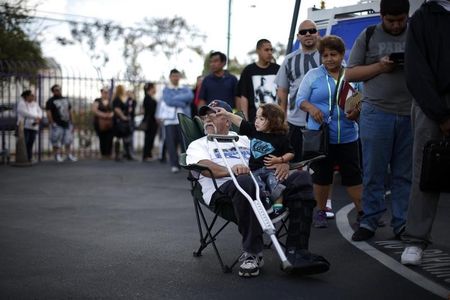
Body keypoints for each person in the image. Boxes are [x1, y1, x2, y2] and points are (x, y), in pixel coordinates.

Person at [186, 100, 329, 278]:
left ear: (228, 121)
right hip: (227, 188)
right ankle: (252, 253)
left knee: (302, 178)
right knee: (246, 181)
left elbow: (276, 154)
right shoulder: (199, 144)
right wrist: (233, 170)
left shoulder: (247, 139)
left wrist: (283, 163)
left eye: (214, 115)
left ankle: (297, 251)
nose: (207, 119)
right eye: (205, 116)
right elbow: (205, 167)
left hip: (266, 183)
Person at [346, 0, 413, 241]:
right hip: (376, 112)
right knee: (374, 171)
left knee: (404, 174)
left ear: (408, 15)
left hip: (410, 112)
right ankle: (369, 222)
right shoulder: (369, 34)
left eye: (401, 20)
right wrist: (380, 66)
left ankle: (402, 223)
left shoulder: (417, 32)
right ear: (381, 16)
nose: (396, 25)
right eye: (390, 20)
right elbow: (350, 73)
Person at [400, 0, 450, 266]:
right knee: (426, 172)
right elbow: (416, 70)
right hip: (431, 102)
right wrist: (440, 114)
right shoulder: (422, 18)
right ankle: (416, 240)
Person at [296, 35, 363, 228]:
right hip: (321, 137)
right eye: (325, 55)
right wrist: (312, 108)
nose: (329, 59)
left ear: (342, 54)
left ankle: (362, 212)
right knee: (322, 176)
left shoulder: (352, 75)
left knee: (353, 175)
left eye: (333, 54)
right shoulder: (313, 75)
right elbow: (300, 100)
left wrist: (356, 111)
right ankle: (320, 212)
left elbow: (361, 99)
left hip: (349, 135)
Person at [216, 102, 293, 221]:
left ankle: (278, 207)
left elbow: (290, 153)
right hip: (254, 170)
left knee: (274, 182)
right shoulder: (254, 131)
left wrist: (280, 160)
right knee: (257, 185)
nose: (256, 121)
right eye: (256, 117)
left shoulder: (281, 138)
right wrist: (227, 114)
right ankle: (266, 203)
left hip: (271, 169)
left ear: (273, 121)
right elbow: (240, 121)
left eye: (261, 119)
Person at [274, 20, 321, 164]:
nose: (308, 34)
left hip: (323, 122)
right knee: (295, 166)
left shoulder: (327, 56)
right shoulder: (289, 60)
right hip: (295, 123)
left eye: (312, 31)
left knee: (321, 168)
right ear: (298, 36)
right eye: (303, 32)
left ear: (318, 34)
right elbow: (282, 91)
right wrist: (281, 121)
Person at [237, 39, 280, 122]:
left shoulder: (278, 69)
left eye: (271, 50)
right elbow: (243, 96)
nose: (270, 53)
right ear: (258, 51)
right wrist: (245, 119)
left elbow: (282, 94)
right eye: (266, 50)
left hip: (275, 119)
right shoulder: (248, 70)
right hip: (255, 119)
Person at [161, 69, 194, 173]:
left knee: (184, 142)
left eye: (177, 76)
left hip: (183, 119)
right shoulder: (166, 89)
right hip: (170, 120)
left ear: (179, 77)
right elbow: (168, 100)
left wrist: (175, 98)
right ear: (170, 77)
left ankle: (185, 162)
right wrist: (182, 102)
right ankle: (174, 164)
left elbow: (190, 96)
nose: (175, 78)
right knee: (171, 143)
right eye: (173, 76)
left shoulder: (185, 88)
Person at [45, 84, 77, 162]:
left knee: (68, 140)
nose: (58, 91)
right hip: (57, 124)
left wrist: (72, 122)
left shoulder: (65, 99)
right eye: (56, 90)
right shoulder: (50, 101)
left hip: (67, 123)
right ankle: (57, 155)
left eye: (59, 89)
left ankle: (68, 155)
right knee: (56, 140)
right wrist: (52, 122)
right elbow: (48, 112)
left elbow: (70, 111)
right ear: (53, 91)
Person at [16, 90, 42, 162]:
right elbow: (25, 113)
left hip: (33, 126)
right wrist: (35, 117)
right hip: (24, 126)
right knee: (24, 142)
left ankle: (29, 158)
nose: (33, 97)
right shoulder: (22, 103)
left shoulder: (35, 104)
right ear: (26, 96)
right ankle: (22, 158)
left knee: (30, 142)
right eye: (31, 95)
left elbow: (40, 111)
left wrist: (38, 117)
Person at [112, 85, 134, 161]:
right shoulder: (117, 99)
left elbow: (130, 108)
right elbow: (116, 109)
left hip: (126, 121)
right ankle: (117, 155)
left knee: (127, 137)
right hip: (119, 121)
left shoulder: (127, 99)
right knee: (118, 137)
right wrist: (123, 116)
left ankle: (128, 154)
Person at [92, 87, 114, 159]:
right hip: (100, 122)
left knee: (110, 138)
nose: (106, 94)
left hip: (110, 122)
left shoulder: (111, 101)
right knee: (102, 138)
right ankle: (103, 154)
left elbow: (114, 110)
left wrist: (110, 115)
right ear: (101, 93)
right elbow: (95, 110)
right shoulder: (97, 100)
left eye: (107, 92)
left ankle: (109, 154)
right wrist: (103, 115)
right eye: (104, 92)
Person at [142, 82, 159, 162]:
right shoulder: (147, 98)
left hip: (152, 121)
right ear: (150, 89)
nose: (155, 89)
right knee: (148, 138)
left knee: (151, 138)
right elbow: (150, 111)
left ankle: (148, 154)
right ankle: (146, 155)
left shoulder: (151, 98)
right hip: (150, 122)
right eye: (154, 88)